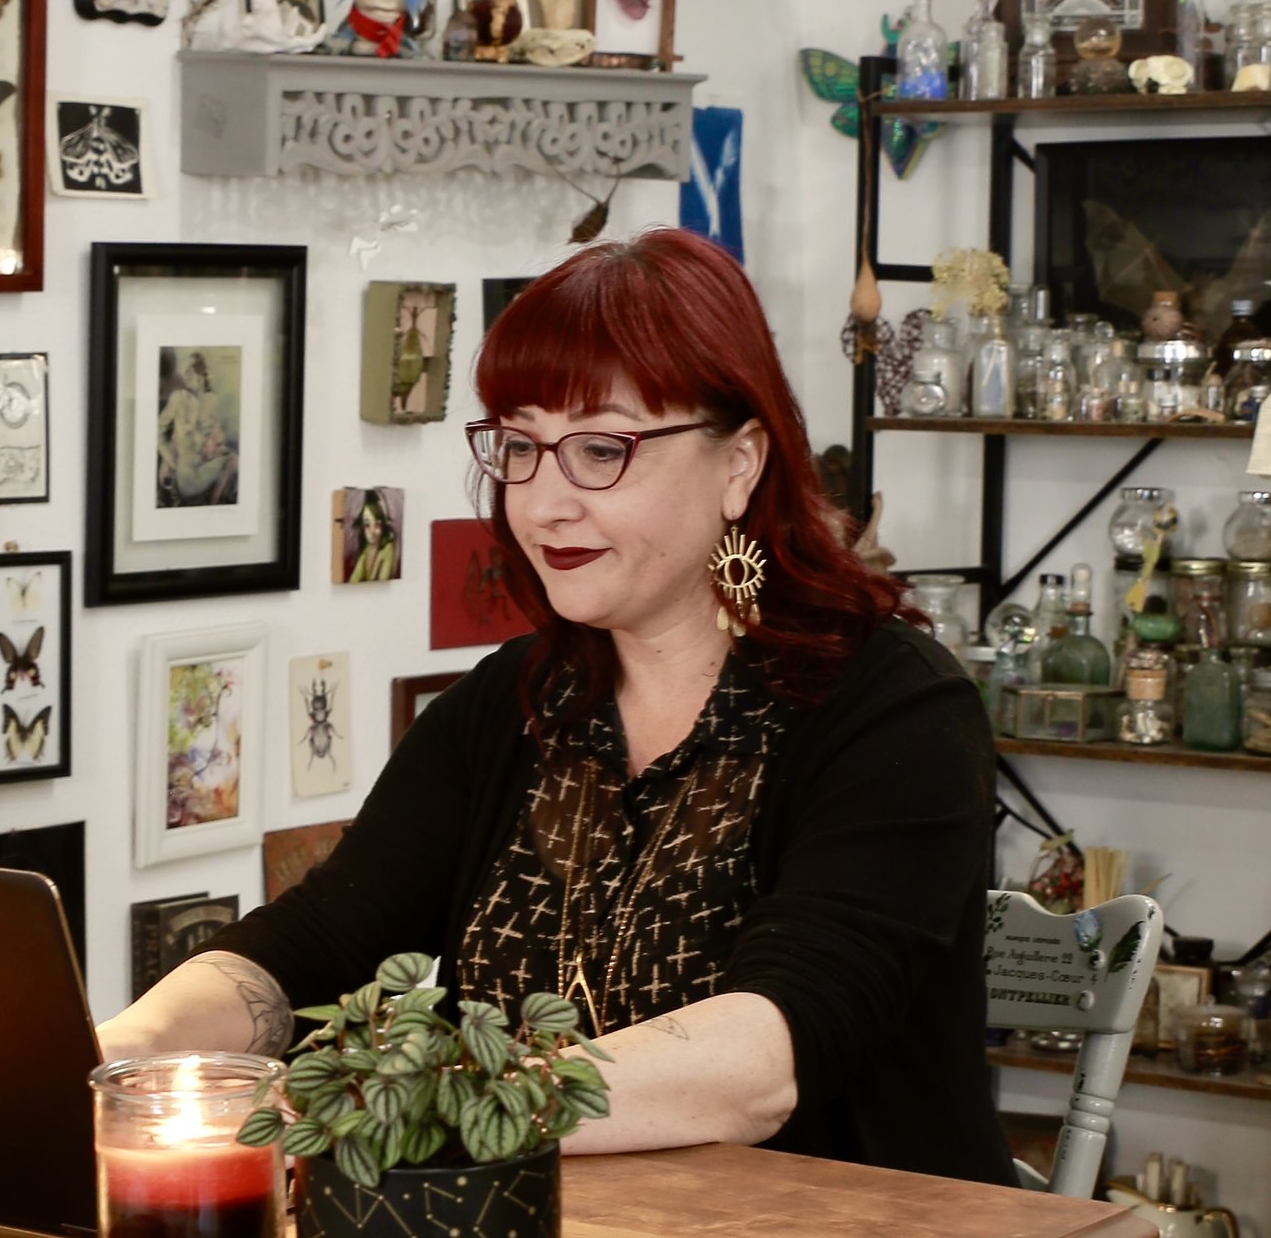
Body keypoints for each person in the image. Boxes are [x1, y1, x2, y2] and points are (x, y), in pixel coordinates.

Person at [105, 229, 1011, 1181]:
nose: (542, 505)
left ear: (740, 464)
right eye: (521, 447)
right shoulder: (512, 703)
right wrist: (115, 1053)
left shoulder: (897, 712)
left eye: (601, 450)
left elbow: (765, 1059)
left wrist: (431, 1113)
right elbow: (316, 942)